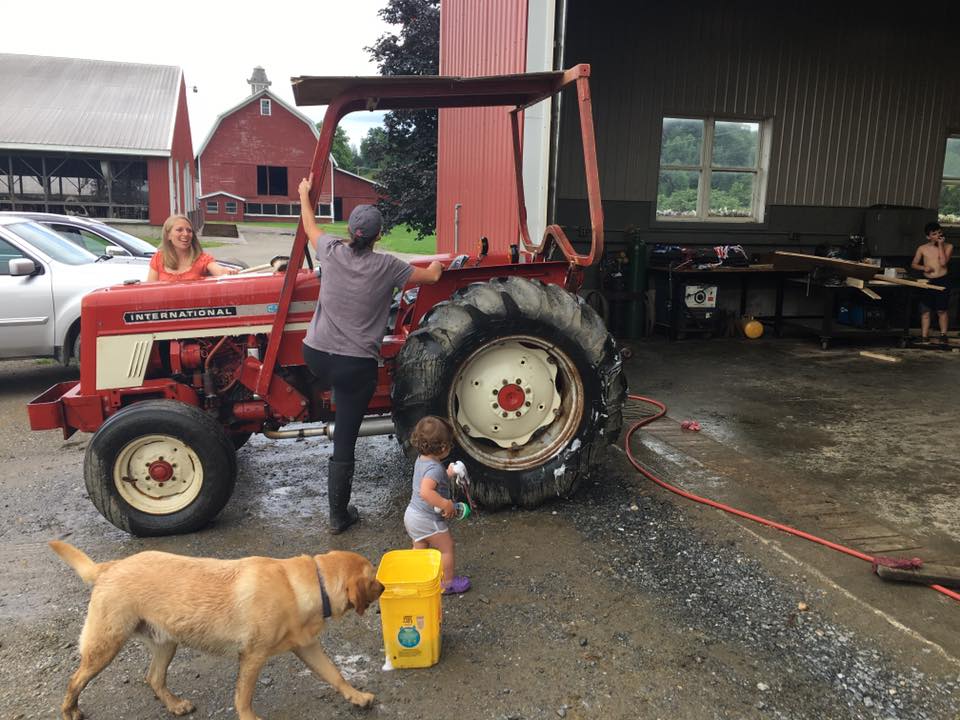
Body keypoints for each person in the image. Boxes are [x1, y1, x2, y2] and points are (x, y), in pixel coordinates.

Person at [298, 173, 443, 533]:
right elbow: (433, 278)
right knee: (345, 436)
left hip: (314, 354)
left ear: (350, 232)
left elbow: (309, 225)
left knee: (330, 383)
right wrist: (441, 264)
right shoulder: (389, 266)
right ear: (379, 236)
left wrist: (304, 195)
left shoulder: (330, 250)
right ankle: (338, 516)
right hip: (353, 365)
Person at [403, 415, 471, 595]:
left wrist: (447, 473)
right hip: (427, 519)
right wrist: (445, 504)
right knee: (446, 548)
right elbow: (426, 491)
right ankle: (447, 583)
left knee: (420, 548)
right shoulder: (434, 468)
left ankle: (417, 579)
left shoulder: (422, 460)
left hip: (412, 515)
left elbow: (432, 482)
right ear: (443, 447)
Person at [147, 215, 238, 281]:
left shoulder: (203, 258)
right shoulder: (158, 258)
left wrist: (227, 272)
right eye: (179, 230)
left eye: (189, 230)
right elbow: (150, 290)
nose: (186, 234)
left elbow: (219, 271)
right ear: (168, 236)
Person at [910, 221, 953, 343]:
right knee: (925, 310)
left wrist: (940, 245)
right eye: (934, 234)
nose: (938, 235)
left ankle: (943, 335)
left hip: (942, 280)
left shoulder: (948, 246)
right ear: (928, 236)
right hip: (928, 281)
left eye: (939, 232)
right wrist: (924, 268)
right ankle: (924, 336)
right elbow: (913, 264)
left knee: (942, 310)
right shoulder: (922, 248)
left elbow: (943, 263)